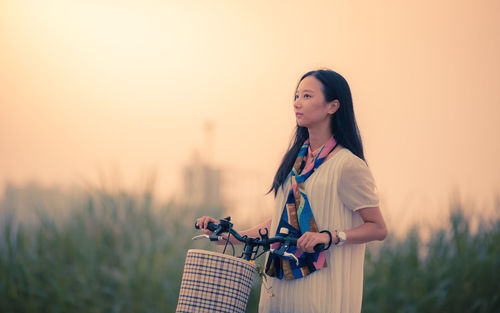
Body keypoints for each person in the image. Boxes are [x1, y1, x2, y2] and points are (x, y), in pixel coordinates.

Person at [196, 69, 387, 313]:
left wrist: (329, 237)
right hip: (279, 288)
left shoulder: (347, 165)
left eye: (307, 96)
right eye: (296, 96)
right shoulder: (294, 162)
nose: (297, 103)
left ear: (332, 106)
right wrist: (230, 234)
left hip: (320, 291)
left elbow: (378, 228)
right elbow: (280, 222)